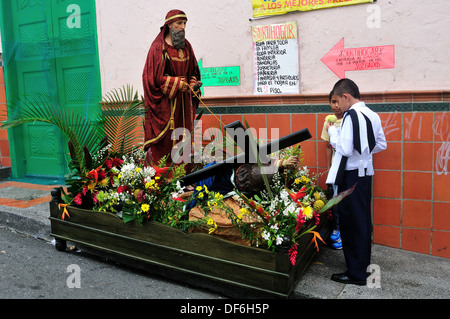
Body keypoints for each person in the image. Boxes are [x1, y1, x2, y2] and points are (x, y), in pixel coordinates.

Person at [325, 79, 387, 286]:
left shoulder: (351, 115)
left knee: (351, 223)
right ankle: (360, 268)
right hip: (366, 173)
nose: (336, 107)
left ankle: (356, 273)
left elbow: (344, 148)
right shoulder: (373, 114)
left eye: (337, 101)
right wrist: (365, 155)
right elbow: (381, 144)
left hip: (350, 175)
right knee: (362, 221)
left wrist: (334, 133)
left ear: (346, 96)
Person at [142, 9, 202, 169]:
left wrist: (193, 84)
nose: (182, 27)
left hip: (184, 106)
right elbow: (152, 78)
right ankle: (165, 180)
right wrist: (176, 83)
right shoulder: (158, 48)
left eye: (184, 24)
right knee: (167, 142)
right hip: (166, 107)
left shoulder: (187, 46)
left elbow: (194, 71)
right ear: (169, 25)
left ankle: (184, 177)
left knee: (184, 139)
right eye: (179, 24)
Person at [321, 92, 344, 250]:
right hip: (336, 167)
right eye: (332, 102)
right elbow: (329, 146)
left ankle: (346, 232)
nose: (336, 105)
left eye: (338, 101)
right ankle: (337, 229)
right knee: (336, 200)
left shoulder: (350, 119)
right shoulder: (328, 122)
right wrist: (329, 167)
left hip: (351, 167)